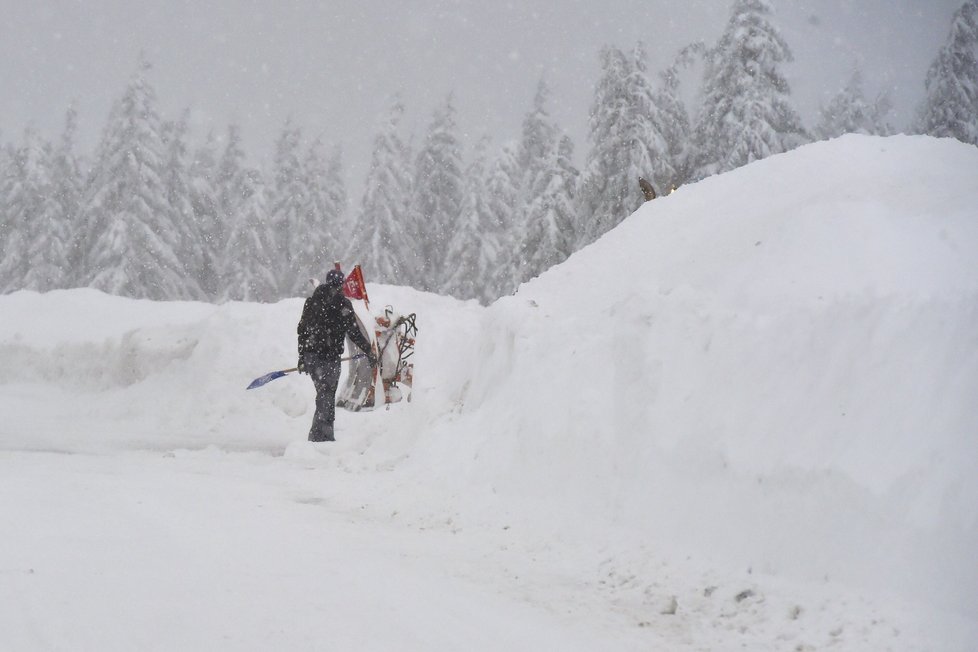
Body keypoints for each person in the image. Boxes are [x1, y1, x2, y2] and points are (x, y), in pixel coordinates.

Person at [297, 269, 376, 442]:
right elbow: (354, 332)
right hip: (329, 358)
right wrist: (368, 351)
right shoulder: (343, 305)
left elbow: (302, 331)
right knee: (326, 393)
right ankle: (320, 436)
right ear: (341, 285)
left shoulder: (311, 302)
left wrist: (302, 357)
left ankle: (322, 434)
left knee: (323, 393)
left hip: (312, 357)